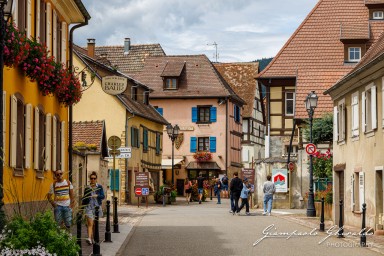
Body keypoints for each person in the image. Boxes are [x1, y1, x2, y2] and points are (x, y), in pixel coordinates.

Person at [82, 171, 105, 245]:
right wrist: (82, 209)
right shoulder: (87, 188)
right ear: (90, 179)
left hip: (97, 208)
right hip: (89, 207)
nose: (93, 180)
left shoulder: (99, 187)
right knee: (90, 223)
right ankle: (89, 238)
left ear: (96, 179)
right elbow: (84, 199)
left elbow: (103, 196)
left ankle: (94, 238)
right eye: (91, 178)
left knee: (95, 224)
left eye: (94, 178)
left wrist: (97, 196)